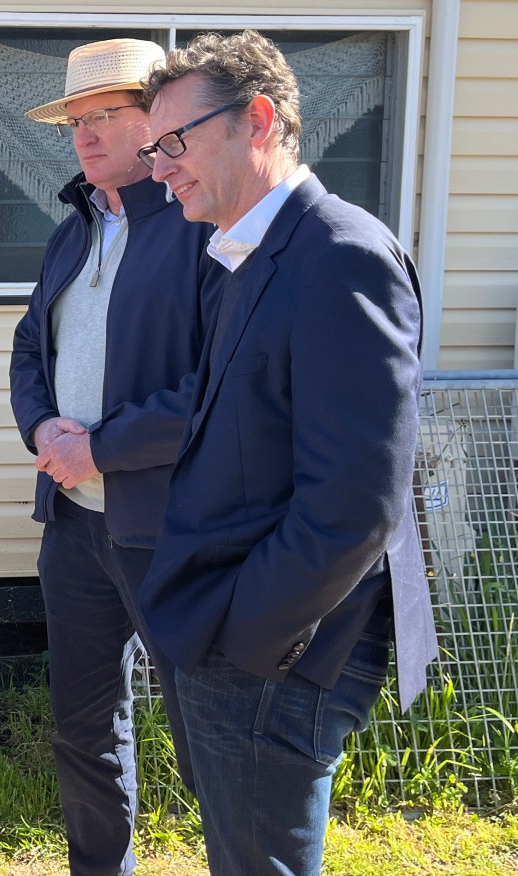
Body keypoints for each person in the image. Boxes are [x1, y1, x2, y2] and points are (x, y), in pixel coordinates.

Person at [138, 30, 438, 875]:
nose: (159, 167)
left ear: (257, 120)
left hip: (275, 657)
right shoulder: (247, 254)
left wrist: (250, 638)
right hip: (238, 642)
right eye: (154, 147)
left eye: (174, 143)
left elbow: (353, 503)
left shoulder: (337, 255)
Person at [9, 39, 214, 876]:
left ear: (159, 124)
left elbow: (216, 385)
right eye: (75, 121)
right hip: (75, 528)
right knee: (84, 727)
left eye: (106, 117)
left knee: (208, 727)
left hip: (171, 528)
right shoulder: (74, 231)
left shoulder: (202, 229)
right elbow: (29, 350)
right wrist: (43, 434)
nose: (85, 137)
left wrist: (101, 446)